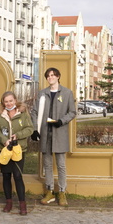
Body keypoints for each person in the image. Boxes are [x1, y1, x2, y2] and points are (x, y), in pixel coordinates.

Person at [31, 67, 76, 206]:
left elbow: (72, 112)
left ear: (58, 77)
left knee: (61, 164)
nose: (50, 77)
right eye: (48, 76)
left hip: (60, 133)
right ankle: (49, 190)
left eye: (53, 75)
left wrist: (61, 121)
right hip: (45, 133)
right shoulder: (42, 94)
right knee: (47, 164)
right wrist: (35, 129)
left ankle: (62, 191)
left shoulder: (67, 93)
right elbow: (34, 112)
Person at [0, 90, 34, 215]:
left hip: (18, 149)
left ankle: (22, 204)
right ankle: (8, 202)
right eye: (6, 101)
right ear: (3, 103)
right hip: (4, 149)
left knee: (17, 176)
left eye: (11, 101)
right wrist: (4, 140)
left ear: (15, 100)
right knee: (6, 176)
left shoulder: (23, 114)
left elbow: (30, 129)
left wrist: (18, 135)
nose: (9, 103)